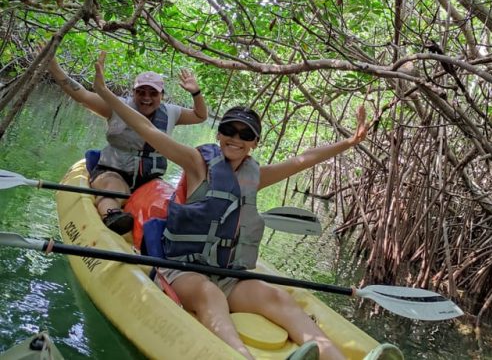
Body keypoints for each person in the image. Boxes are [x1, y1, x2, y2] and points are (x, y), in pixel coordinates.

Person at [92, 52, 367, 360]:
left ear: (254, 143)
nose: (235, 138)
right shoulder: (197, 164)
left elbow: (303, 158)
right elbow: (148, 130)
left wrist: (348, 142)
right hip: (183, 270)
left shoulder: (255, 176)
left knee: (276, 297)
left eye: (245, 134)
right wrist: (103, 92)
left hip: (226, 273)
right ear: (219, 134)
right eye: (230, 131)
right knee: (209, 295)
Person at [46, 54, 208, 234]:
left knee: (166, 204)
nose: (146, 97)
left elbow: (200, 116)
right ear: (133, 92)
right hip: (114, 172)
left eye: (153, 93)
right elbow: (81, 95)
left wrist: (196, 93)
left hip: (148, 179)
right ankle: (113, 216)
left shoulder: (172, 113)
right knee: (113, 188)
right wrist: (53, 66)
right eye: (141, 92)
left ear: (162, 95)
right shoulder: (116, 106)